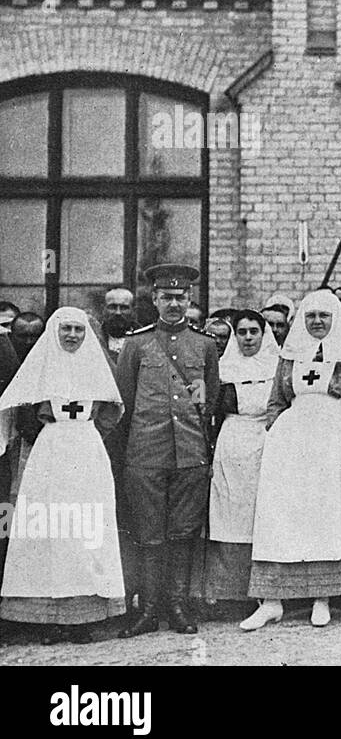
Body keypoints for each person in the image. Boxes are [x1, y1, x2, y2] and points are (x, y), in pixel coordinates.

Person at [240, 289, 341, 630]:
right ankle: (271, 602)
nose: (317, 322)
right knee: (283, 517)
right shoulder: (290, 354)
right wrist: (277, 433)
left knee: (326, 517)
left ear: (335, 319)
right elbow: (276, 400)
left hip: (333, 439)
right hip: (290, 445)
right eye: (311, 316)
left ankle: (322, 598)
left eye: (324, 316)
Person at [0, 307, 125, 644]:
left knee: (86, 529)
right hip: (50, 451)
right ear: (54, 332)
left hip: (86, 449)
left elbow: (113, 410)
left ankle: (84, 618)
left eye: (78, 330)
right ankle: (51, 619)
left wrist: (88, 434)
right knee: (51, 530)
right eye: (66, 329)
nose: (72, 335)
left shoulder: (97, 367)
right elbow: (18, 408)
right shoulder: (40, 367)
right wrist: (47, 432)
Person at [114, 265, 221, 637]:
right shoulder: (137, 344)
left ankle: (177, 606)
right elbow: (123, 405)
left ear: (190, 301)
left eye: (181, 297)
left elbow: (212, 399)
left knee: (182, 533)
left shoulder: (206, 345)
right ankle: (149, 609)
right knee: (148, 533)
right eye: (167, 298)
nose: (174, 304)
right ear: (155, 300)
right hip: (145, 453)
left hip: (191, 453)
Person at [205, 309, 279, 612]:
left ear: (264, 334)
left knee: (262, 514)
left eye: (253, 332)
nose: (248, 338)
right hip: (232, 441)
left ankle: (265, 592)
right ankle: (228, 594)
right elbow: (213, 411)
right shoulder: (224, 368)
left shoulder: (277, 365)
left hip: (267, 439)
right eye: (242, 332)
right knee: (229, 513)